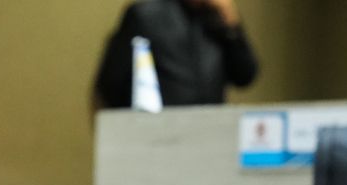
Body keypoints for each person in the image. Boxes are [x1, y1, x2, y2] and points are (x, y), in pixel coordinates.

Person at [95, 0, 259, 108]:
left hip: (210, 129)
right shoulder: (146, 16)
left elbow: (245, 76)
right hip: (158, 133)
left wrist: (232, 28)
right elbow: (110, 85)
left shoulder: (217, 18)